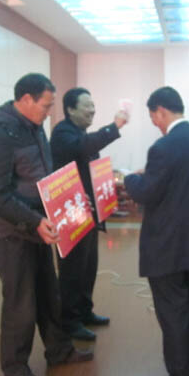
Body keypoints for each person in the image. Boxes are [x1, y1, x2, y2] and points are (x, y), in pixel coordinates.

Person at [0, 73, 92, 376]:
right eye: (46, 105)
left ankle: (58, 351)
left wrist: (68, 201)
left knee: (48, 293)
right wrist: (33, 220)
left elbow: (44, 178)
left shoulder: (34, 127)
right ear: (26, 99)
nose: (49, 111)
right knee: (21, 302)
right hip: (12, 232)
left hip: (38, 227)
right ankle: (15, 367)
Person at [124, 86, 189, 376]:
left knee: (173, 313)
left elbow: (147, 192)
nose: (155, 123)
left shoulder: (163, 147)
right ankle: (188, 362)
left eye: (153, 117)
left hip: (168, 245)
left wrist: (130, 178)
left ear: (161, 111)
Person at [50, 88, 129, 341]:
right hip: (71, 212)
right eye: (87, 106)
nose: (92, 110)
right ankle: (69, 321)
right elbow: (84, 147)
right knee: (72, 270)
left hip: (88, 211)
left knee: (88, 266)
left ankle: (85, 312)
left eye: (93, 105)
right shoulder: (63, 133)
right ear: (70, 109)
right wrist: (114, 127)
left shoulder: (81, 133)